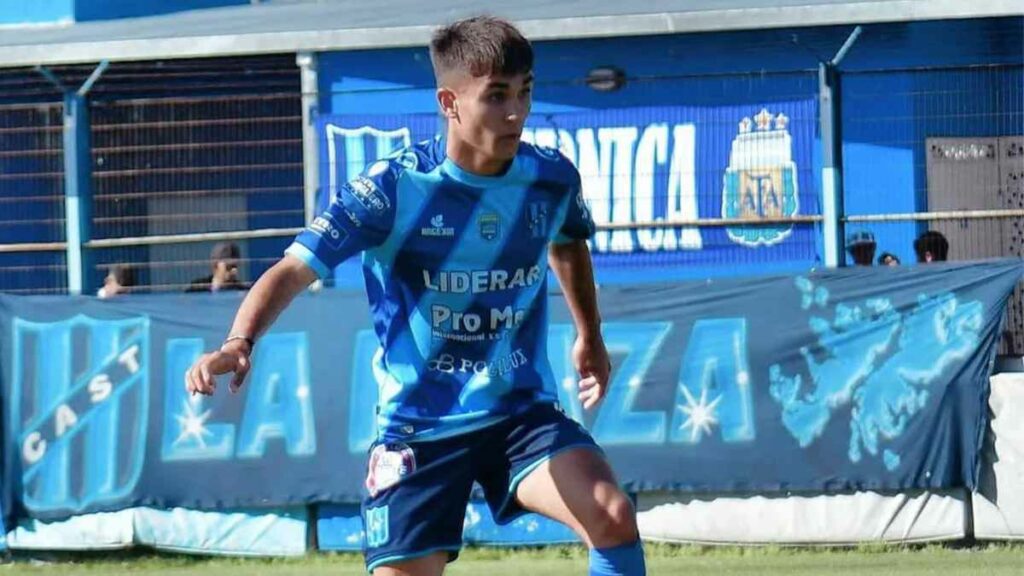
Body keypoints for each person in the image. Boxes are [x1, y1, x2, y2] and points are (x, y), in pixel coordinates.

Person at [184, 16, 645, 576]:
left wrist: (589, 335)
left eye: (525, 91)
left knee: (611, 514)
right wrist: (239, 341)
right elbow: (294, 269)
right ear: (450, 103)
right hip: (419, 428)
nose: (516, 112)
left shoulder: (549, 179)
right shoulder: (391, 190)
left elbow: (567, 242)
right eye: (496, 96)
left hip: (519, 413)